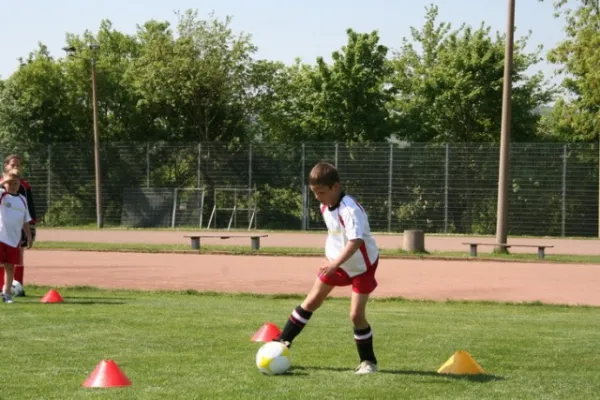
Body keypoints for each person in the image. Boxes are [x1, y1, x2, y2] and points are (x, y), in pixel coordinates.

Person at [274, 161, 380, 374]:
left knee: (355, 315)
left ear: (336, 187)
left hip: (361, 266)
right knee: (311, 301)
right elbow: (336, 236)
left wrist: (334, 263)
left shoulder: (350, 209)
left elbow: (355, 241)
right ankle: (281, 343)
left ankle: (368, 362)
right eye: (314, 192)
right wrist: (331, 259)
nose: (317, 197)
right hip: (336, 263)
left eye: (321, 192)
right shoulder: (324, 205)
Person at [2, 154, 37, 281]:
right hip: (2, 227)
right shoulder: (2, 183)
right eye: (12, 164)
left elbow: (28, 205)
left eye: (18, 165)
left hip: (17, 225)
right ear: (6, 166)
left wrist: (31, 223)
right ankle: (1, 286)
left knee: (19, 253)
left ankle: (17, 284)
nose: (16, 167)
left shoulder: (23, 185)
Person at [0, 171, 33, 303]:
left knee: (10, 267)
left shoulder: (22, 200)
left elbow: (25, 220)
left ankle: (7, 294)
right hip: (1, 237)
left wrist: (29, 235)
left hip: (14, 240)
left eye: (16, 183)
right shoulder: (2, 195)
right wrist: (4, 181)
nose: (13, 185)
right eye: (10, 183)